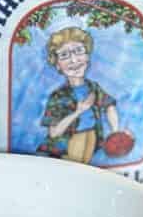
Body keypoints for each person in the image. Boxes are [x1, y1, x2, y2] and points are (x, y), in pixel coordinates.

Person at [37, 27, 122, 163]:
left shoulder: (93, 87)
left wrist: (115, 131)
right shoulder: (58, 96)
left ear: (87, 56)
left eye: (78, 51)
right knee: (73, 172)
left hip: (92, 135)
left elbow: (109, 106)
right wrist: (78, 112)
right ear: (57, 64)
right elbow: (54, 133)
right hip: (70, 139)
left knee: (85, 170)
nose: (74, 60)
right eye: (64, 55)